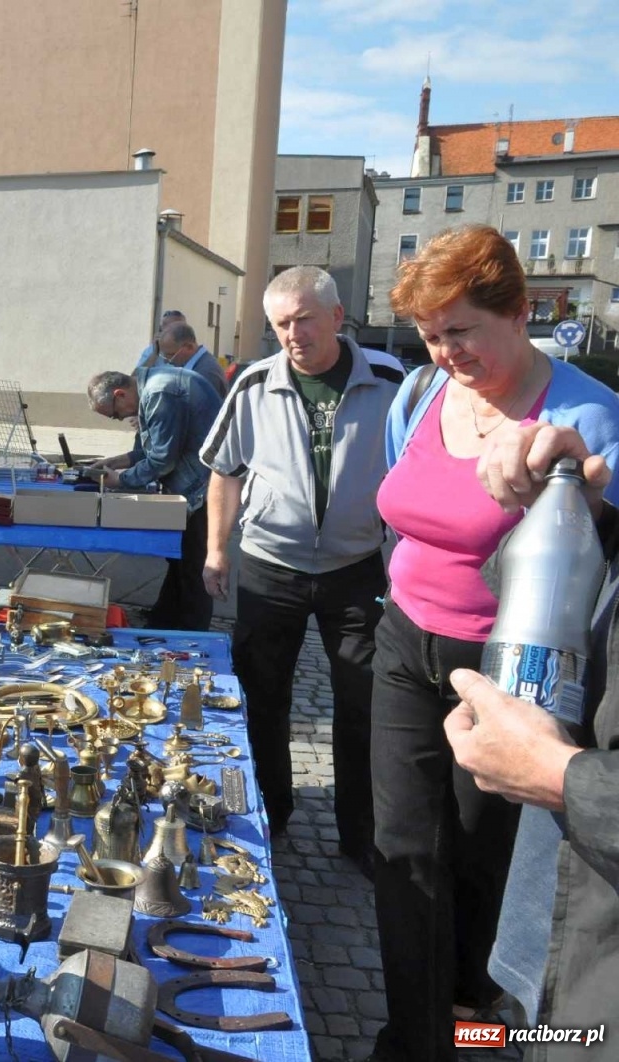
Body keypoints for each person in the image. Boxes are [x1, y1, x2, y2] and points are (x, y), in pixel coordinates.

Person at [366, 226, 619, 1061]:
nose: (444, 352)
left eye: (461, 331)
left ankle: (472, 1034)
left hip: (510, 676)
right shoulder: (419, 395)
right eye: (431, 336)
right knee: (404, 853)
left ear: (518, 312)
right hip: (405, 642)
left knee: (482, 873)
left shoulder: (585, 415)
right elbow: (404, 502)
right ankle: (411, 1039)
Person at [199, 265, 404, 878]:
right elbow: (224, 471)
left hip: (357, 567)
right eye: (281, 324)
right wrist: (216, 549)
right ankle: (272, 811)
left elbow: (418, 468)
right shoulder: (254, 384)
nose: (293, 333)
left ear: (338, 318)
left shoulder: (393, 381)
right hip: (271, 567)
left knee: (362, 701)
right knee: (262, 695)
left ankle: (361, 834)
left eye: (304, 319)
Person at [447, 423, 618, 1060]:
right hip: (563, 913)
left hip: (604, 989)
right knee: (530, 1033)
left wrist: (561, 776)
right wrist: (586, 519)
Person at [86, 364, 221, 631]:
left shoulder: (160, 392)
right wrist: (118, 460)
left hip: (203, 488)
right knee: (179, 559)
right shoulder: (150, 389)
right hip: (194, 484)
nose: (120, 419)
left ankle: (192, 634)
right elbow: (152, 448)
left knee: (193, 564)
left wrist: (121, 480)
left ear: (120, 394)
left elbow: (162, 459)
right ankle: (165, 619)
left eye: (114, 415)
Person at [157, 320, 228, 398]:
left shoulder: (205, 373)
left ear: (189, 347)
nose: (166, 360)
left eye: (171, 355)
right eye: (164, 355)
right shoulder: (197, 367)